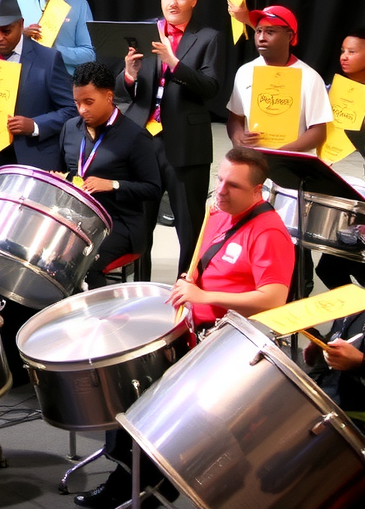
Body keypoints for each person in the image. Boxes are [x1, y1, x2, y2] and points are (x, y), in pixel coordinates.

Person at [76, 147, 293, 509]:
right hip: (193, 327)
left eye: (232, 186)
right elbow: (207, 267)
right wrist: (192, 284)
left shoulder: (269, 232)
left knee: (146, 402)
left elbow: (273, 298)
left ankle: (139, 484)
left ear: (258, 192)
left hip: (227, 344)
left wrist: (203, 292)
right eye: (219, 180)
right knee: (122, 379)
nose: (220, 191)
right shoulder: (221, 214)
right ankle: (132, 476)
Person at [117, 0, 225, 273]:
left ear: (194, 0)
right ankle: (139, 289)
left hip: (185, 143)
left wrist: (174, 62)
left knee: (189, 226)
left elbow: (211, 88)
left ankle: (187, 293)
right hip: (141, 140)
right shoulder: (145, 30)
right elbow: (121, 91)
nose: (173, 2)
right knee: (139, 224)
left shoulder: (207, 37)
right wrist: (129, 74)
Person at [59, 61, 163, 287]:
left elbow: (153, 189)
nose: (82, 110)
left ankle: (96, 317)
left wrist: (114, 185)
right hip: (75, 219)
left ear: (108, 96)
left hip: (118, 223)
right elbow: (66, 173)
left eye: (89, 102)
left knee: (81, 263)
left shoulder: (135, 137)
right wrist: (59, 179)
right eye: (77, 103)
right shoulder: (70, 128)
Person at [0, 0, 75, 174]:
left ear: (20, 25)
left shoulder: (48, 60)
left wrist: (35, 125)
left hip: (28, 158)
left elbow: (71, 109)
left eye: (6, 31)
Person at [226, 5, 332, 155]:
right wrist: (237, 137)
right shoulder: (245, 72)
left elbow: (319, 132)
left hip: (291, 164)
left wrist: (281, 155)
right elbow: (235, 117)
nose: (261, 38)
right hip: (253, 160)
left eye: (270, 32)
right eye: (258, 31)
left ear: (289, 36)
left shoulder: (310, 77)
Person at [317, 27, 365, 290]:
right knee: (328, 268)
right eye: (342, 51)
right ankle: (350, 322)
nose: (344, 57)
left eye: (352, 52)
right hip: (345, 193)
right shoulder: (332, 91)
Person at [305, 308, 365, 433]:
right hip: (322, 395)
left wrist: (360, 362)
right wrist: (321, 347)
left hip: (353, 419)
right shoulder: (356, 298)